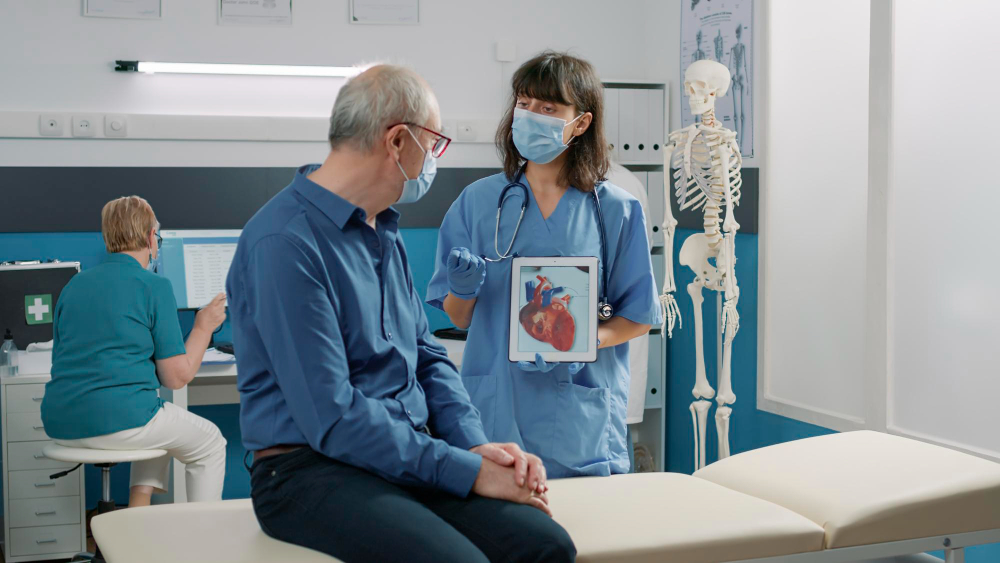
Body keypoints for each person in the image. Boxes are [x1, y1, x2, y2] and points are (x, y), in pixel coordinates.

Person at [225, 64, 575, 563]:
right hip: (310, 470)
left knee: (547, 546)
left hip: (403, 453)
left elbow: (428, 358)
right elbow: (333, 415)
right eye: (433, 143)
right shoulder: (285, 242)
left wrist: (475, 448)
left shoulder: (380, 229)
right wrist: (466, 473)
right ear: (397, 141)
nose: (434, 158)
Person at [427, 52, 663, 478]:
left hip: (577, 412)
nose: (531, 115)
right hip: (495, 405)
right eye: (524, 104)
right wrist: (462, 290)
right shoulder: (478, 203)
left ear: (581, 123)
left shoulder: (616, 210)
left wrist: (580, 342)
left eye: (548, 108)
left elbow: (637, 318)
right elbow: (459, 318)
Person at [41, 196, 228, 507]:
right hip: (119, 421)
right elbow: (176, 378)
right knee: (210, 442)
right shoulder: (154, 286)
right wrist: (202, 326)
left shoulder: (73, 285)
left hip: (61, 420)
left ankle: (137, 510)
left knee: (162, 417)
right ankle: (203, 538)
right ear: (150, 237)